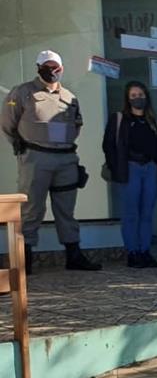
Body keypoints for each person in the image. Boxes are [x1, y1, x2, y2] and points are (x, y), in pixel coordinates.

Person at [1, 49, 101, 273]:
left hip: (65, 158)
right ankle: (24, 259)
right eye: (46, 66)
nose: (52, 70)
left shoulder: (69, 97)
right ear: (38, 68)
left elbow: (77, 125)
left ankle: (73, 255)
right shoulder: (22, 92)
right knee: (31, 208)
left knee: (66, 209)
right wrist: (20, 146)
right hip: (36, 158)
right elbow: (8, 123)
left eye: (55, 66)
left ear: (62, 68)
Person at [102, 80, 157, 268]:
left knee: (147, 213)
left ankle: (145, 251)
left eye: (140, 95)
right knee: (131, 213)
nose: (137, 98)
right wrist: (117, 169)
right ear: (127, 99)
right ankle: (132, 252)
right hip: (130, 168)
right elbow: (108, 146)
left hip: (151, 169)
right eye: (133, 96)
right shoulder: (119, 119)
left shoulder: (153, 121)